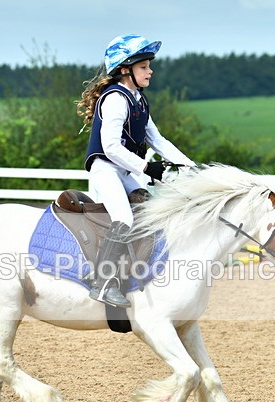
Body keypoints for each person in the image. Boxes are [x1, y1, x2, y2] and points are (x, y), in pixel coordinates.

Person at [76, 34, 195, 308]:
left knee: (153, 211)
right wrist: (146, 166)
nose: (150, 71)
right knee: (124, 219)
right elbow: (110, 147)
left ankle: (137, 271)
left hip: (125, 172)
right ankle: (103, 282)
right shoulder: (116, 99)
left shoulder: (138, 99)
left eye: (148, 66)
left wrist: (191, 166)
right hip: (105, 169)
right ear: (125, 69)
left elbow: (158, 140)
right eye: (144, 67)